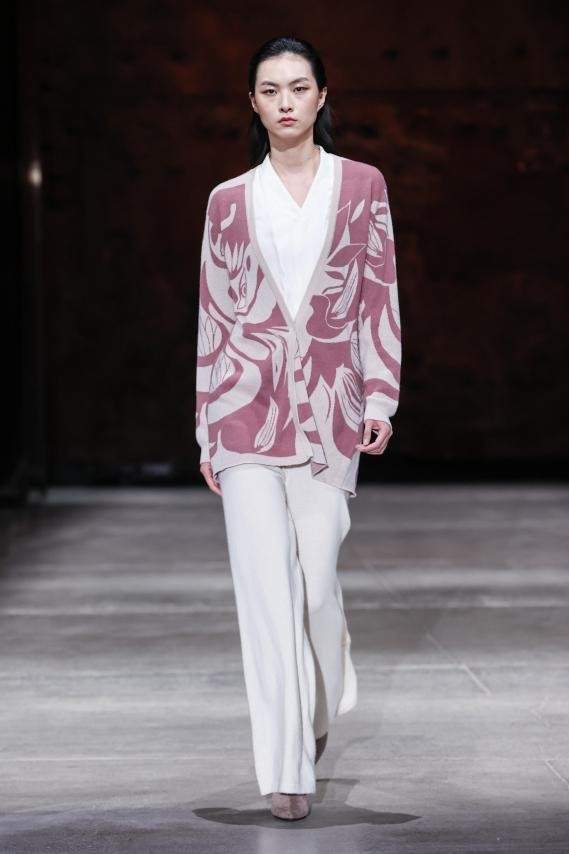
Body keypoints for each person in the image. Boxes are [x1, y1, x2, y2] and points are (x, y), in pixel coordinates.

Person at [195, 35, 402, 821]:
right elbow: (214, 317)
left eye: (298, 87)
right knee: (263, 592)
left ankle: (317, 697)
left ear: (321, 96)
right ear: (252, 103)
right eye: (270, 89)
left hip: (329, 409)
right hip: (243, 412)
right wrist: (206, 425)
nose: (285, 101)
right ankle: (283, 771)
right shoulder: (226, 200)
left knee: (315, 586)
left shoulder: (362, 185)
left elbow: (377, 294)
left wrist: (379, 396)